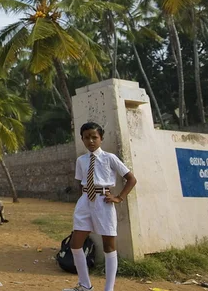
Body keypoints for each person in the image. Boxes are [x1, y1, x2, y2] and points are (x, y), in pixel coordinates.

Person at [63, 122, 137, 291]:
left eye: (94, 137)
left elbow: (131, 179)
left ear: (101, 139)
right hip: (85, 202)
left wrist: (119, 197)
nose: (91, 141)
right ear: (82, 139)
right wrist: (83, 200)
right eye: (86, 137)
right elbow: (80, 182)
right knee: (75, 244)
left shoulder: (109, 158)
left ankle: (108, 289)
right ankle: (85, 285)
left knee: (108, 246)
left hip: (103, 201)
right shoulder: (81, 160)